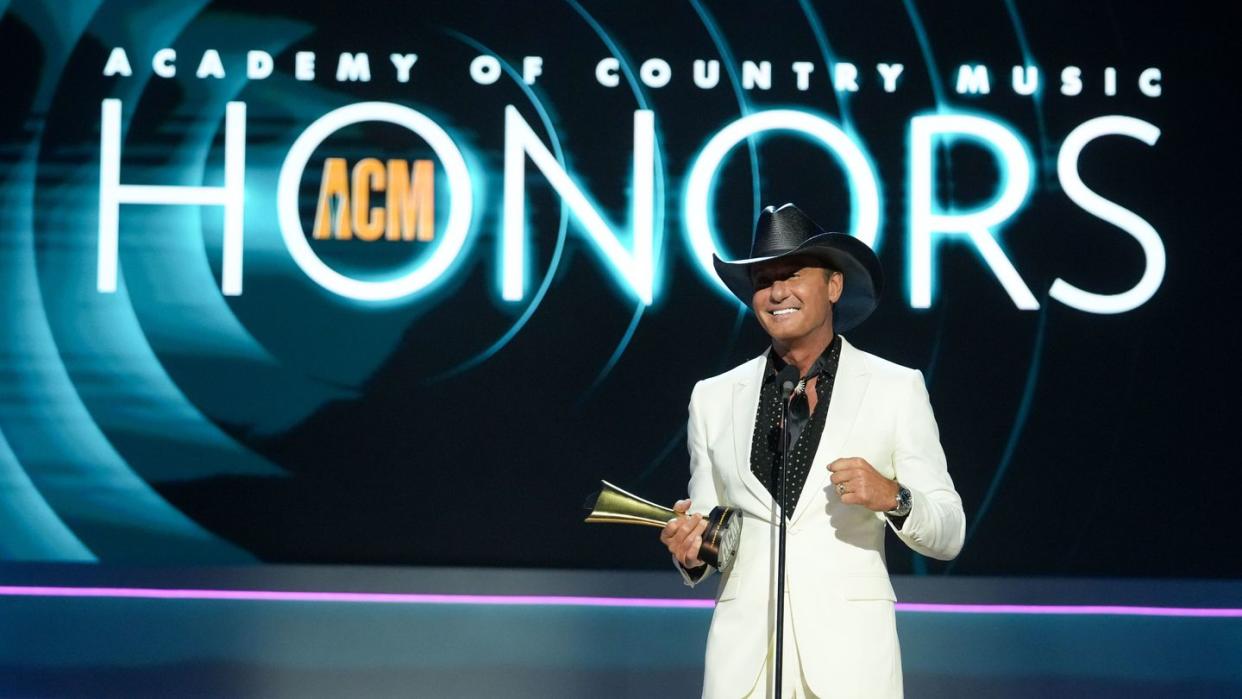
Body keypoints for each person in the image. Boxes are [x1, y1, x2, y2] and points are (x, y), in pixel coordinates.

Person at [660, 204, 965, 698]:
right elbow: (717, 531)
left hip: (850, 664)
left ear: (834, 286)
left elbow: (949, 531)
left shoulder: (894, 388)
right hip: (745, 669)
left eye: (793, 274)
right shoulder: (714, 397)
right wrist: (693, 552)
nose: (777, 292)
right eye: (764, 279)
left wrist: (894, 497)